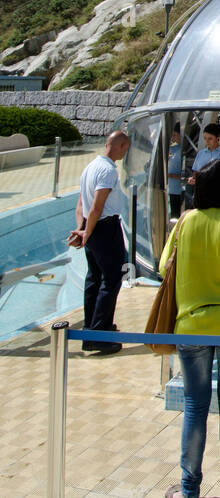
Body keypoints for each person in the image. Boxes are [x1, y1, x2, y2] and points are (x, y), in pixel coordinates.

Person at [160, 158, 220, 498]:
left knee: (194, 405)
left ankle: (189, 488)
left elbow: (162, 266)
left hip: (192, 325)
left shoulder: (185, 221)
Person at [68, 130, 131, 356]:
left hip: (92, 228)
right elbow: (96, 206)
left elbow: (81, 205)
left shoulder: (90, 167)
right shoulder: (107, 171)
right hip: (104, 228)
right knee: (111, 278)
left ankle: (92, 327)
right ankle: (99, 333)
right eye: (126, 148)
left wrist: (83, 229)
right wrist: (88, 231)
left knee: (94, 277)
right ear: (121, 147)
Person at [189, 123, 220, 187]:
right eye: (205, 138)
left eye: (210, 139)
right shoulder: (201, 153)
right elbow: (195, 172)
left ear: (218, 139)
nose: (206, 141)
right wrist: (193, 180)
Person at [167, 125, 184, 220]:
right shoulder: (173, 149)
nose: (173, 138)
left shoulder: (183, 150)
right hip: (171, 189)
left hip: (180, 190)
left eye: (175, 135)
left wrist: (170, 175)